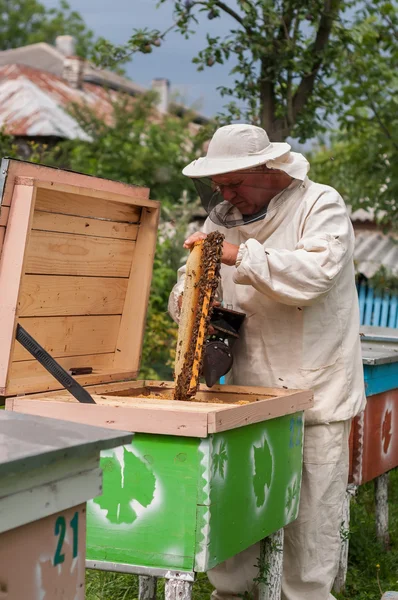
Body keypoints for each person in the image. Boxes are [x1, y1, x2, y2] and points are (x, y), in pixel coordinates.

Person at [168, 124, 366, 600]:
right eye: (220, 186)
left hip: (314, 389)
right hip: (244, 391)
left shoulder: (321, 204)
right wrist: (189, 299)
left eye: (235, 182)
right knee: (238, 506)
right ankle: (232, 594)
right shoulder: (224, 218)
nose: (227, 195)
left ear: (268, 169)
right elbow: (188, 281)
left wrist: (236, 256)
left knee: (311, 518)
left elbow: (314, 274)